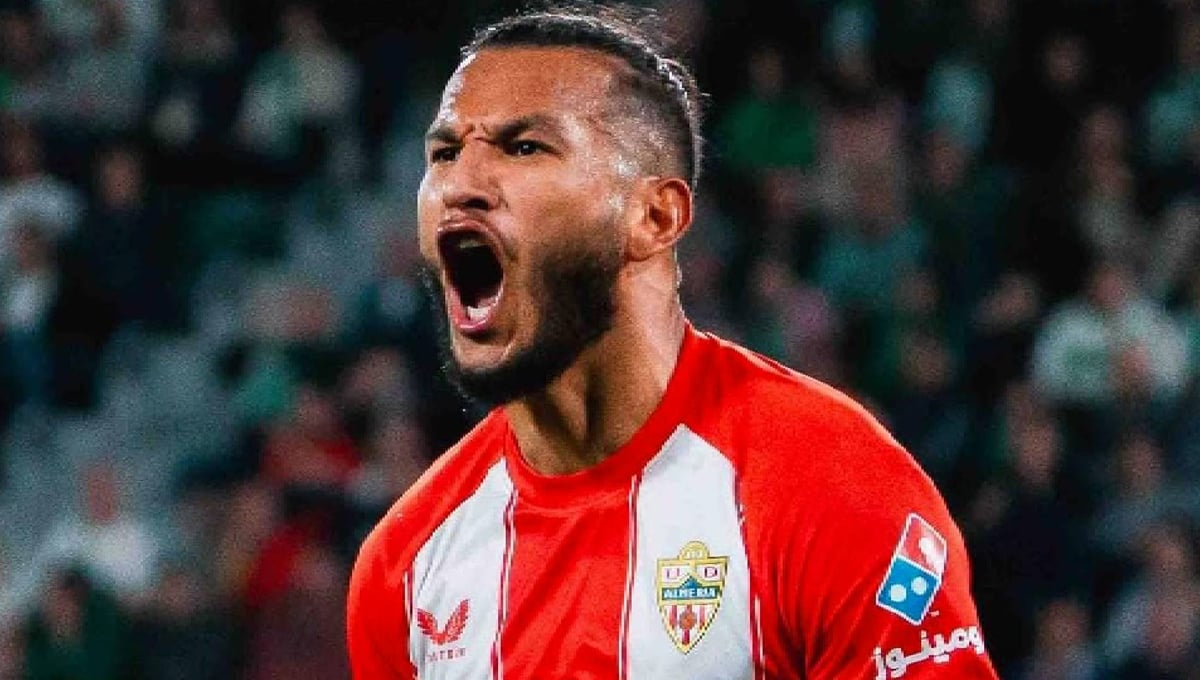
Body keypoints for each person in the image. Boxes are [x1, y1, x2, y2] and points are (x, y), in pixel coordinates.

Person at [347, 4, 999, 678]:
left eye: (524, 147)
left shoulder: (830, 487)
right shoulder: (407, 565)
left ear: (655, 217)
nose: (459, 185)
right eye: (445, 153)